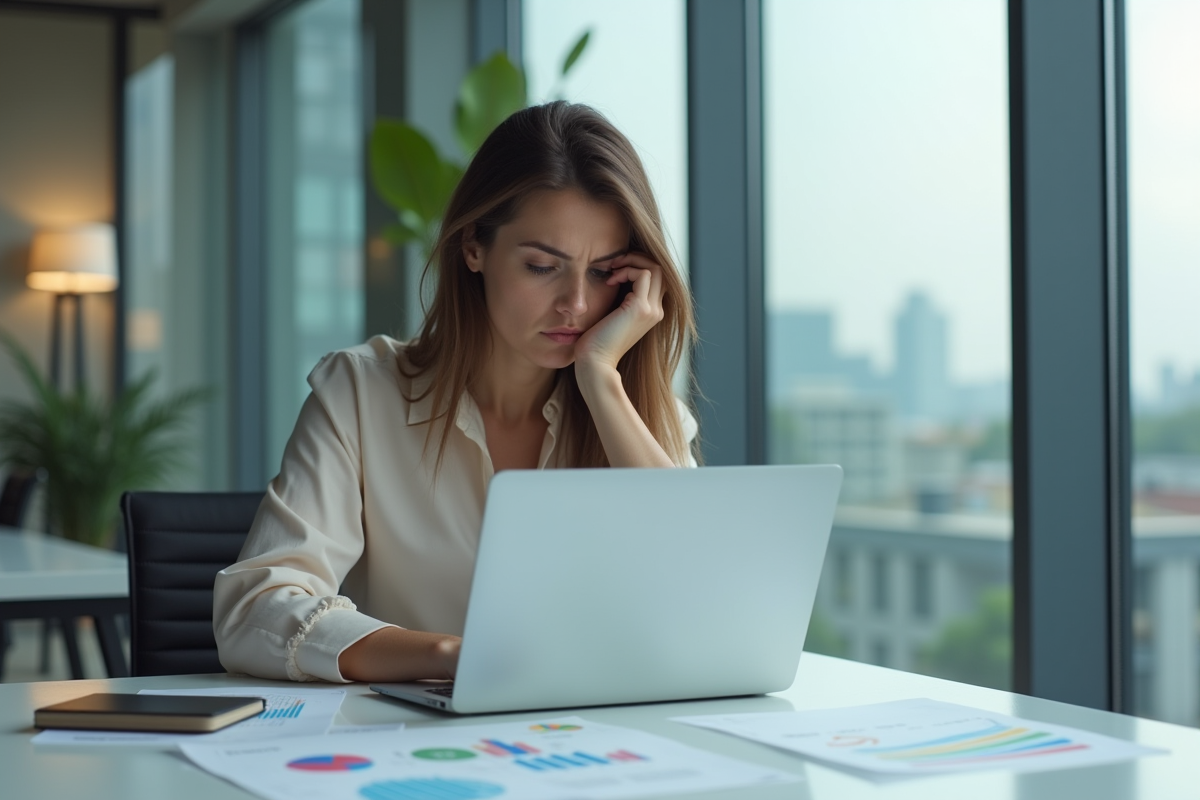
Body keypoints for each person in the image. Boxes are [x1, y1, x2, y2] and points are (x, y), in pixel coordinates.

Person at [213, 101, 699, 684]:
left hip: (598, 742)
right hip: (410, 748)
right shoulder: (361, 395)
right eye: (543, 266)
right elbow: (254, 611)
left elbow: (695, 607)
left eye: (602, 273)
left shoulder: (639, 419)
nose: (575, 303)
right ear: (474, 248)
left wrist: (600, 375)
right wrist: (450, 656)